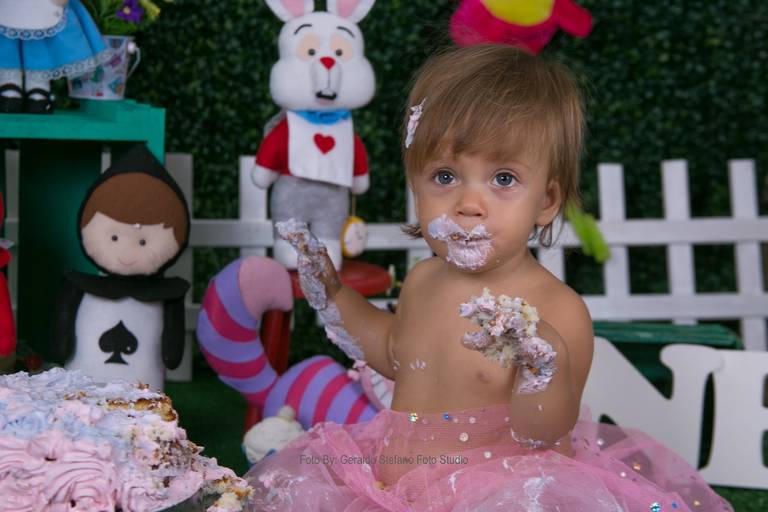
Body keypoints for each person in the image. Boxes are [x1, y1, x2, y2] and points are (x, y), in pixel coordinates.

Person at [244, 45, 732, 512]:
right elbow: (394, 353)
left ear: (546, 201)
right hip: (392, 490)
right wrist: (332, 294)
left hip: (500, 498)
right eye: (444, 176)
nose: (469, 203)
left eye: (503, 179)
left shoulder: (557, 310)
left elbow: (543, 432)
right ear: (415, 185)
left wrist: (542, 365)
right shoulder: (423, 280)